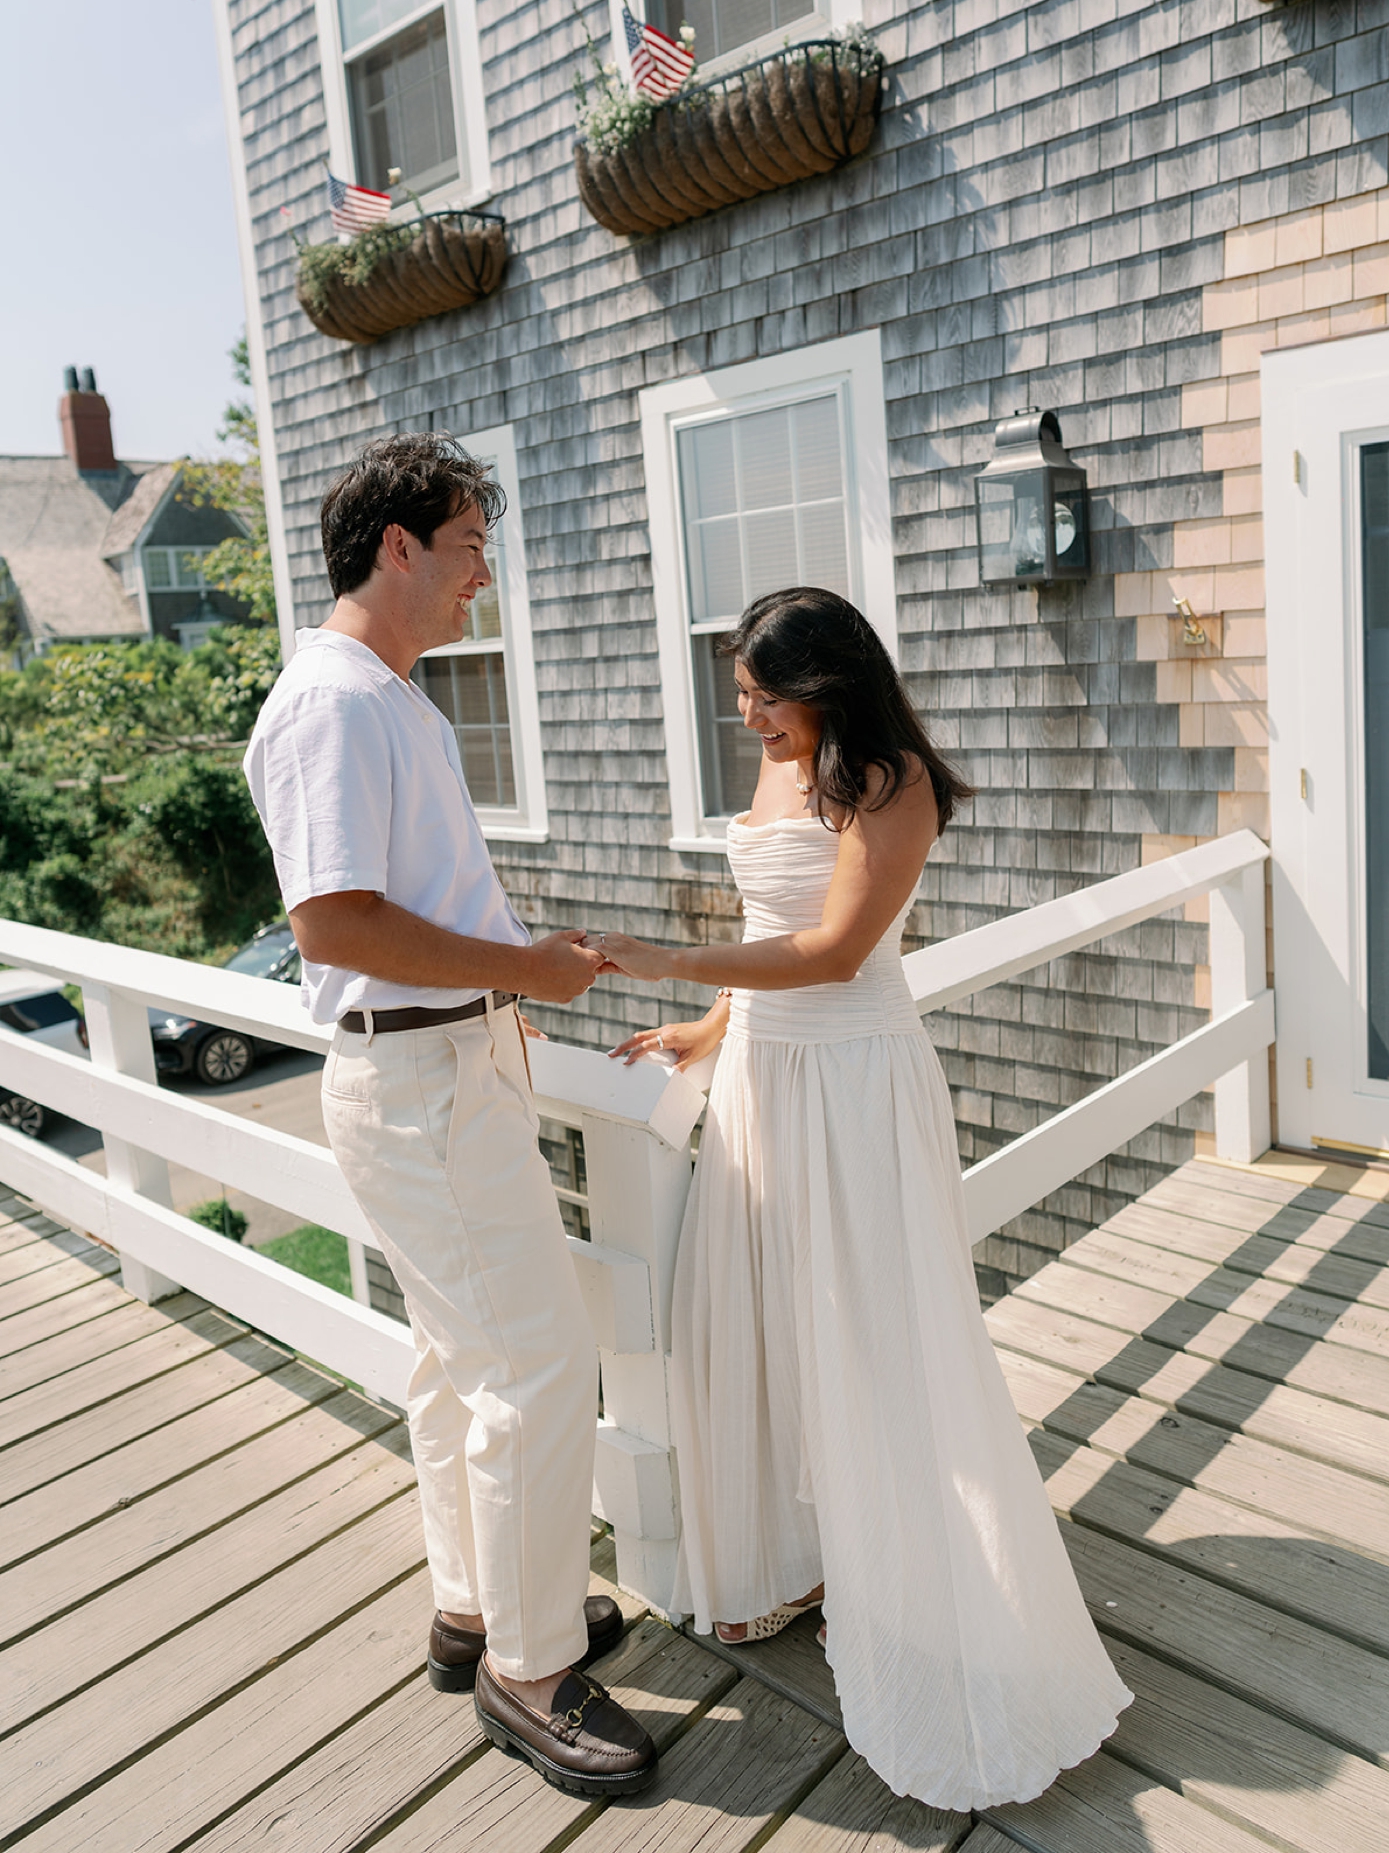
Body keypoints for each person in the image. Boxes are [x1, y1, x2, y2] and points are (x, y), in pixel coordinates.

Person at [602, 587, 1131, 1810]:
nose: (746, 718)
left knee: (874, 1331)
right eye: (737, 694)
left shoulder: (893, 781)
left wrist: (662, 953)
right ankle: (794, 1558)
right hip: (763, 1076)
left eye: (763, 698)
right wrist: (706, 1022)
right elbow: (766, 921)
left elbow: (835, 949)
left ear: (829, 685)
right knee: (765, 1316)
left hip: (850, 1082)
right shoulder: (785, 769)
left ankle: (916, 1589)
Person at [243, 433, 657, 1800]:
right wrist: (521, 967)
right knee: (538, 1362)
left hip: (447, 1062)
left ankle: (477, 1602)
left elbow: (399, 904)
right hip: (418, 1082)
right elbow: (335, 919)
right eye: (472, 538)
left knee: (458, 1355)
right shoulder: (336, 704)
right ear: (399, 544)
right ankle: (531, 1673)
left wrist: (501, 990)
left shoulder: (391, 696)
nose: (487, 568)